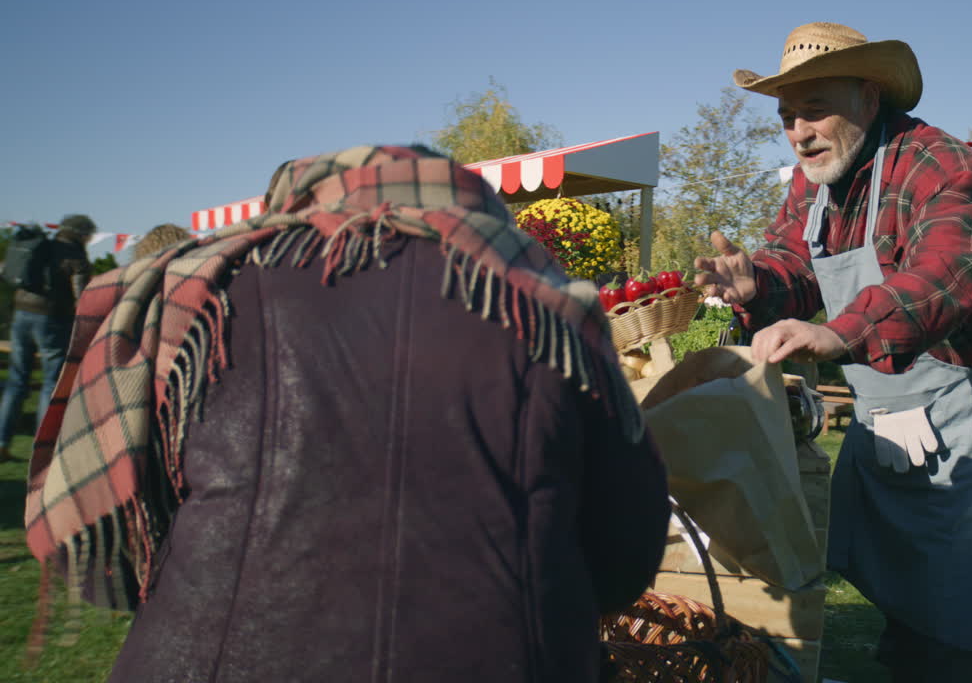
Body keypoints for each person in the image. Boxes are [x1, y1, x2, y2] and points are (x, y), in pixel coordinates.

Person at [25, 146, 670, 682]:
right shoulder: (533, 295)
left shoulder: (196, 291)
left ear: (299, 197)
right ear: (464, 198)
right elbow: (626, 551)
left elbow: (122, 554)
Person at [695, 22, 972, 682]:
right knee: (896, 592)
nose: (797, 131)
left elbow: (946, 277)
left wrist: (839, 333)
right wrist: (758, 284)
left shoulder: (942, 163)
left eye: (813, 109)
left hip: (964, 414)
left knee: (955, 619)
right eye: (785, 116)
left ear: (866, 96)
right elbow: (790, 263)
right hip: (883, 409)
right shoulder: (815, 181)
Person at [0, 214, 96, 464]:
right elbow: (82, 299)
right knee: (50, 384)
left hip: (20, 314)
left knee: (16, 382)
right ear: (82, 234)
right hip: (51, 320)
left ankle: (1, 443)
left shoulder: (41, 246)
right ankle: (42, 451)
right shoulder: (75, 256)